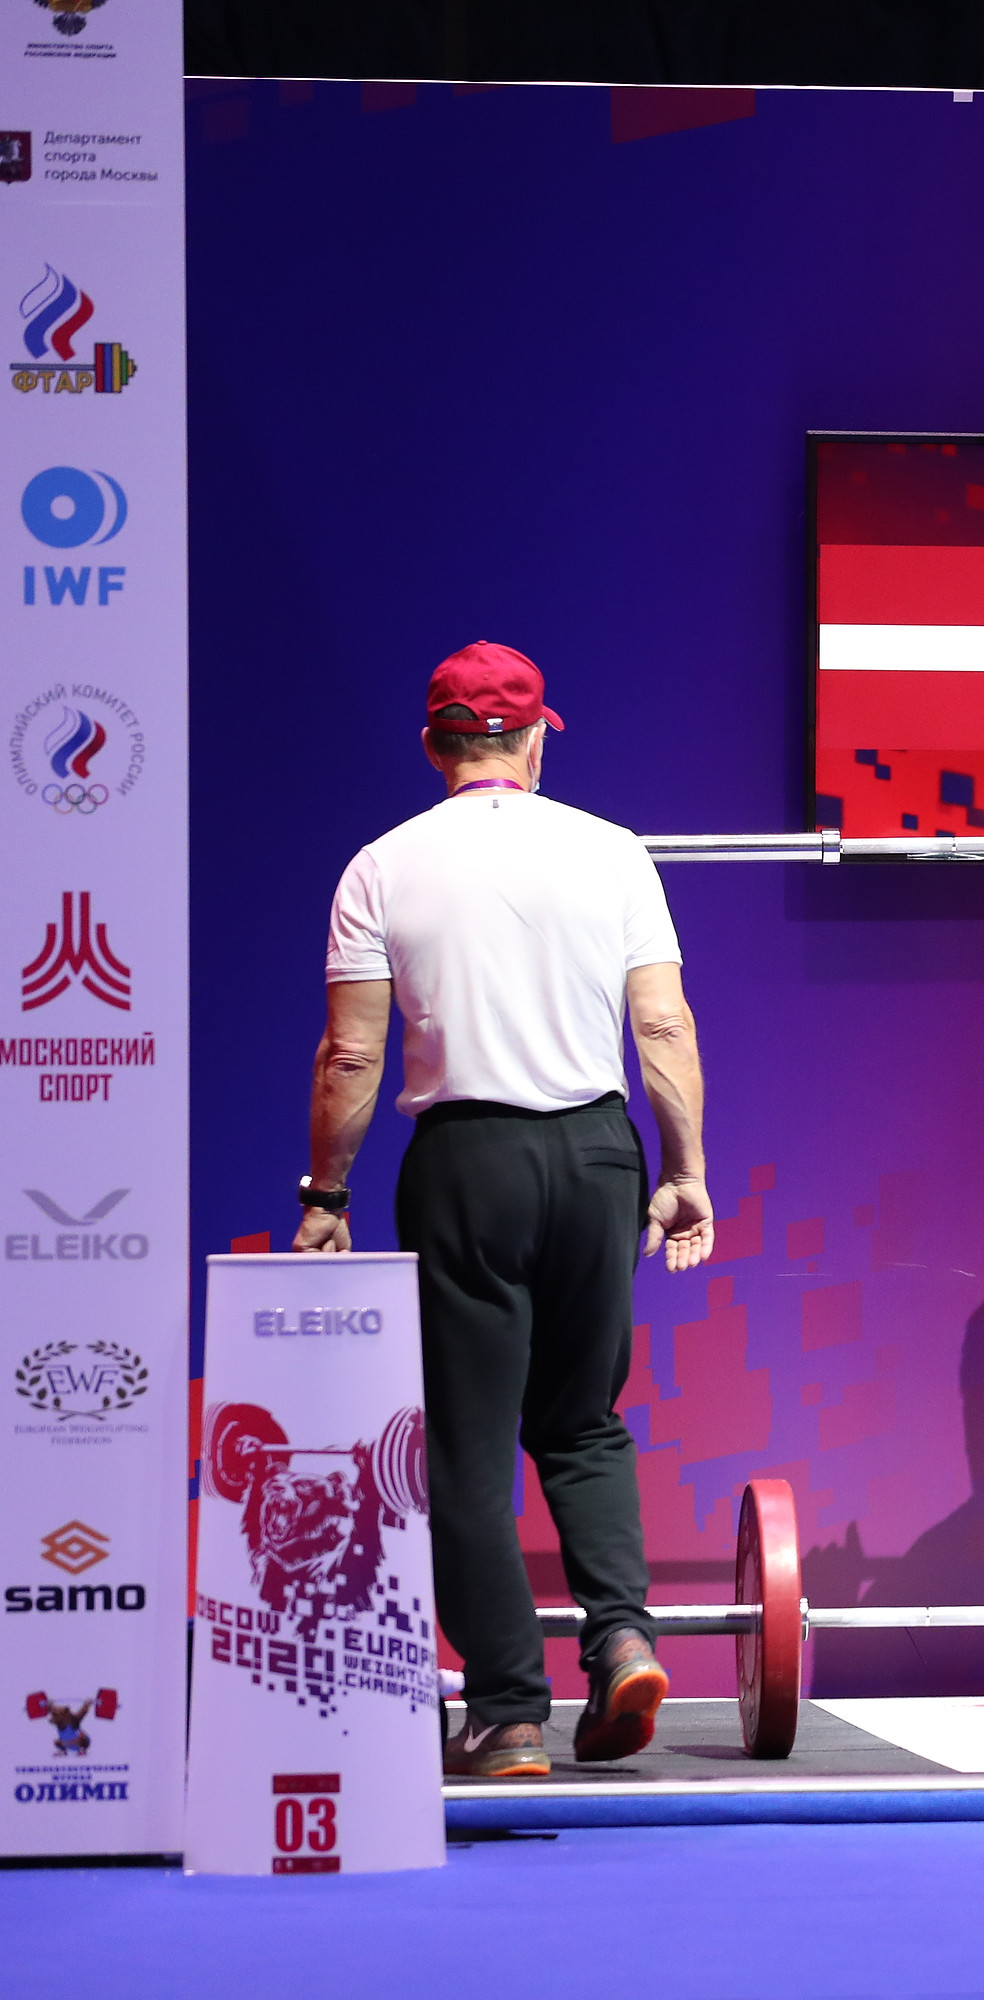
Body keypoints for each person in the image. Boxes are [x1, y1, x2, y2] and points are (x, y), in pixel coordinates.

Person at [293, 641, 714, 1780]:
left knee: (468, 1446)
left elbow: (350, 1055)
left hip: (465, 1163)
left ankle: (509, 1714)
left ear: (436, 745)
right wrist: (685, 1170)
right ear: (533, 740)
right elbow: (662, 1024)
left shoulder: (381, 866)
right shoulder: (613, 850)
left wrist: (326, 1193)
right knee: (582, 1420)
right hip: (596, 1154)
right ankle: (622, 1640)